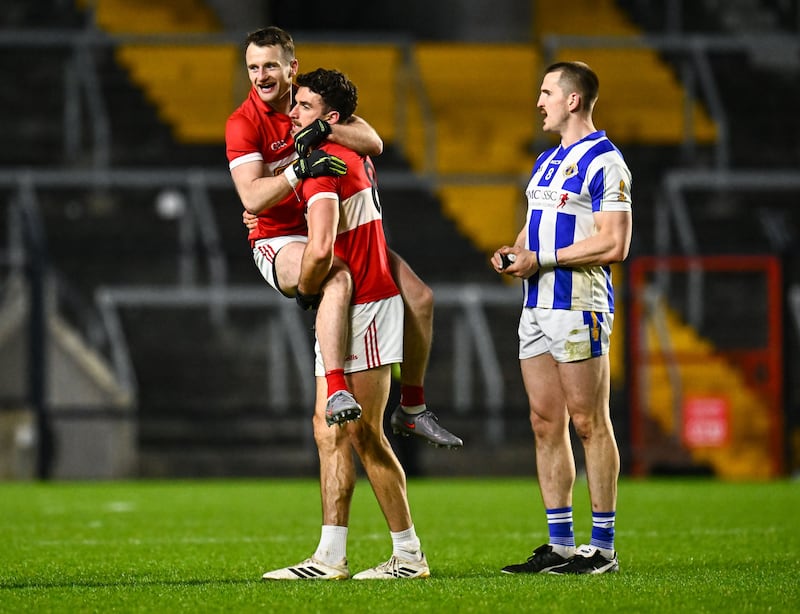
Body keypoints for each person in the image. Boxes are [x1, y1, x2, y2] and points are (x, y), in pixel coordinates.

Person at [228, 26, 461, 447]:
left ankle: (412, 407)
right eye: (253, 67)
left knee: (421, 298)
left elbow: (372, 141)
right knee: (333, 277)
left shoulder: (310, 103)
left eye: (270, 66)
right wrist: (299, 171)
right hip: (279, 239)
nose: (261, 76)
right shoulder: (244, 123)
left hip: (330, 227)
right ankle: (337, 387)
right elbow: (251, 196)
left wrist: (323, 131)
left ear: (291, 68)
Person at [263, 68, 429, 580]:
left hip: (362, 302)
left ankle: (408, 555)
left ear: (329, 119)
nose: (293, 112)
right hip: (358, 302)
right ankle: (330, 555)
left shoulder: (323, 164)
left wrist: (306, 288)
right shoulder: (346, 148)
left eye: (305, 106)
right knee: (330, 431)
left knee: (363, 435)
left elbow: (320, 246)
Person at [492, 61, 632, 575]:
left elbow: (616, 242)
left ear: (573, 100)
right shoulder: (547, 162)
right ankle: (562, 545)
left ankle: (603, 548)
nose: (539, 101)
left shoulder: (606, 161)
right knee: (544, 422)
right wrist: (516, 252)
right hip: (536, 306)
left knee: (590, 422)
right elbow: (535, 231)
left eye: (546, 92)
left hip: (579, 305)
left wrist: (542, 259)